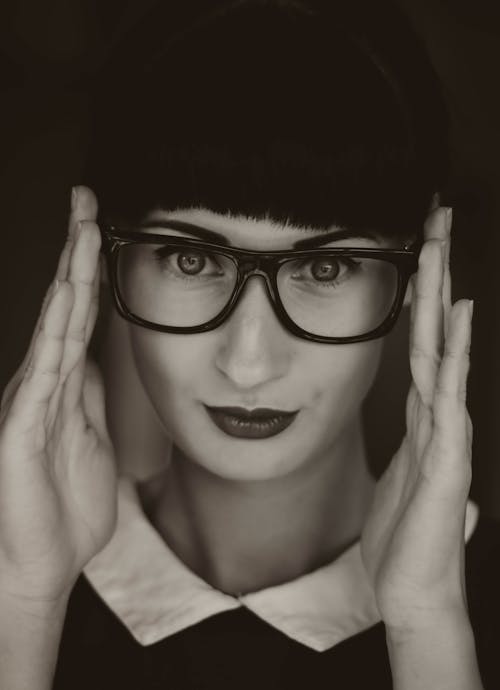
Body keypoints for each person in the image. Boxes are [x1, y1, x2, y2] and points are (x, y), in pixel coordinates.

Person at [0, 1, 498, 688]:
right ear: (101, 254)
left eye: (324, 268)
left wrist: (426, 621)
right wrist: (22, 598)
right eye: (191, 260)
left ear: (418, 268)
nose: (249, 361)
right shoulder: (22, 577)